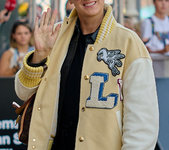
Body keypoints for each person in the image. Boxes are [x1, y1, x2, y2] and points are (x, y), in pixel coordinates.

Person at [15, 0, 159, 150]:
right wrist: (39, 56)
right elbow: (22, 93)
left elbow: (142, 125)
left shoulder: (129, 42)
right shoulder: (54, 35)